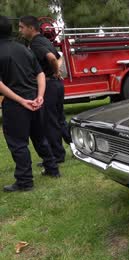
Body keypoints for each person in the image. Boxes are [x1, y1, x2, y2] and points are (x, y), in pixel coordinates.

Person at [0, 16, 60, 192]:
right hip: (34, 101)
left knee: (18, 143)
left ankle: (25, 182)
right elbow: (40, 73)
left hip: (16, 104)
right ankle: (52, 169)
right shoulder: (24, 49)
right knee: (40, 138)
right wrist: (40, 96)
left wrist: (20, 100)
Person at [19, 16, 71, 166]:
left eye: (21, 27)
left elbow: (52, 58)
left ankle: (57, 155)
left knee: (50, 122)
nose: (20, 30)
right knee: (60, 119)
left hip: (48, 85)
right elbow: (59, 57)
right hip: (57, 85)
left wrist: (54, 71)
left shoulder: (35, 44)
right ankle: (76, 145)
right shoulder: (45, 40)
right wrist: (57, 72)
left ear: (31, 28)